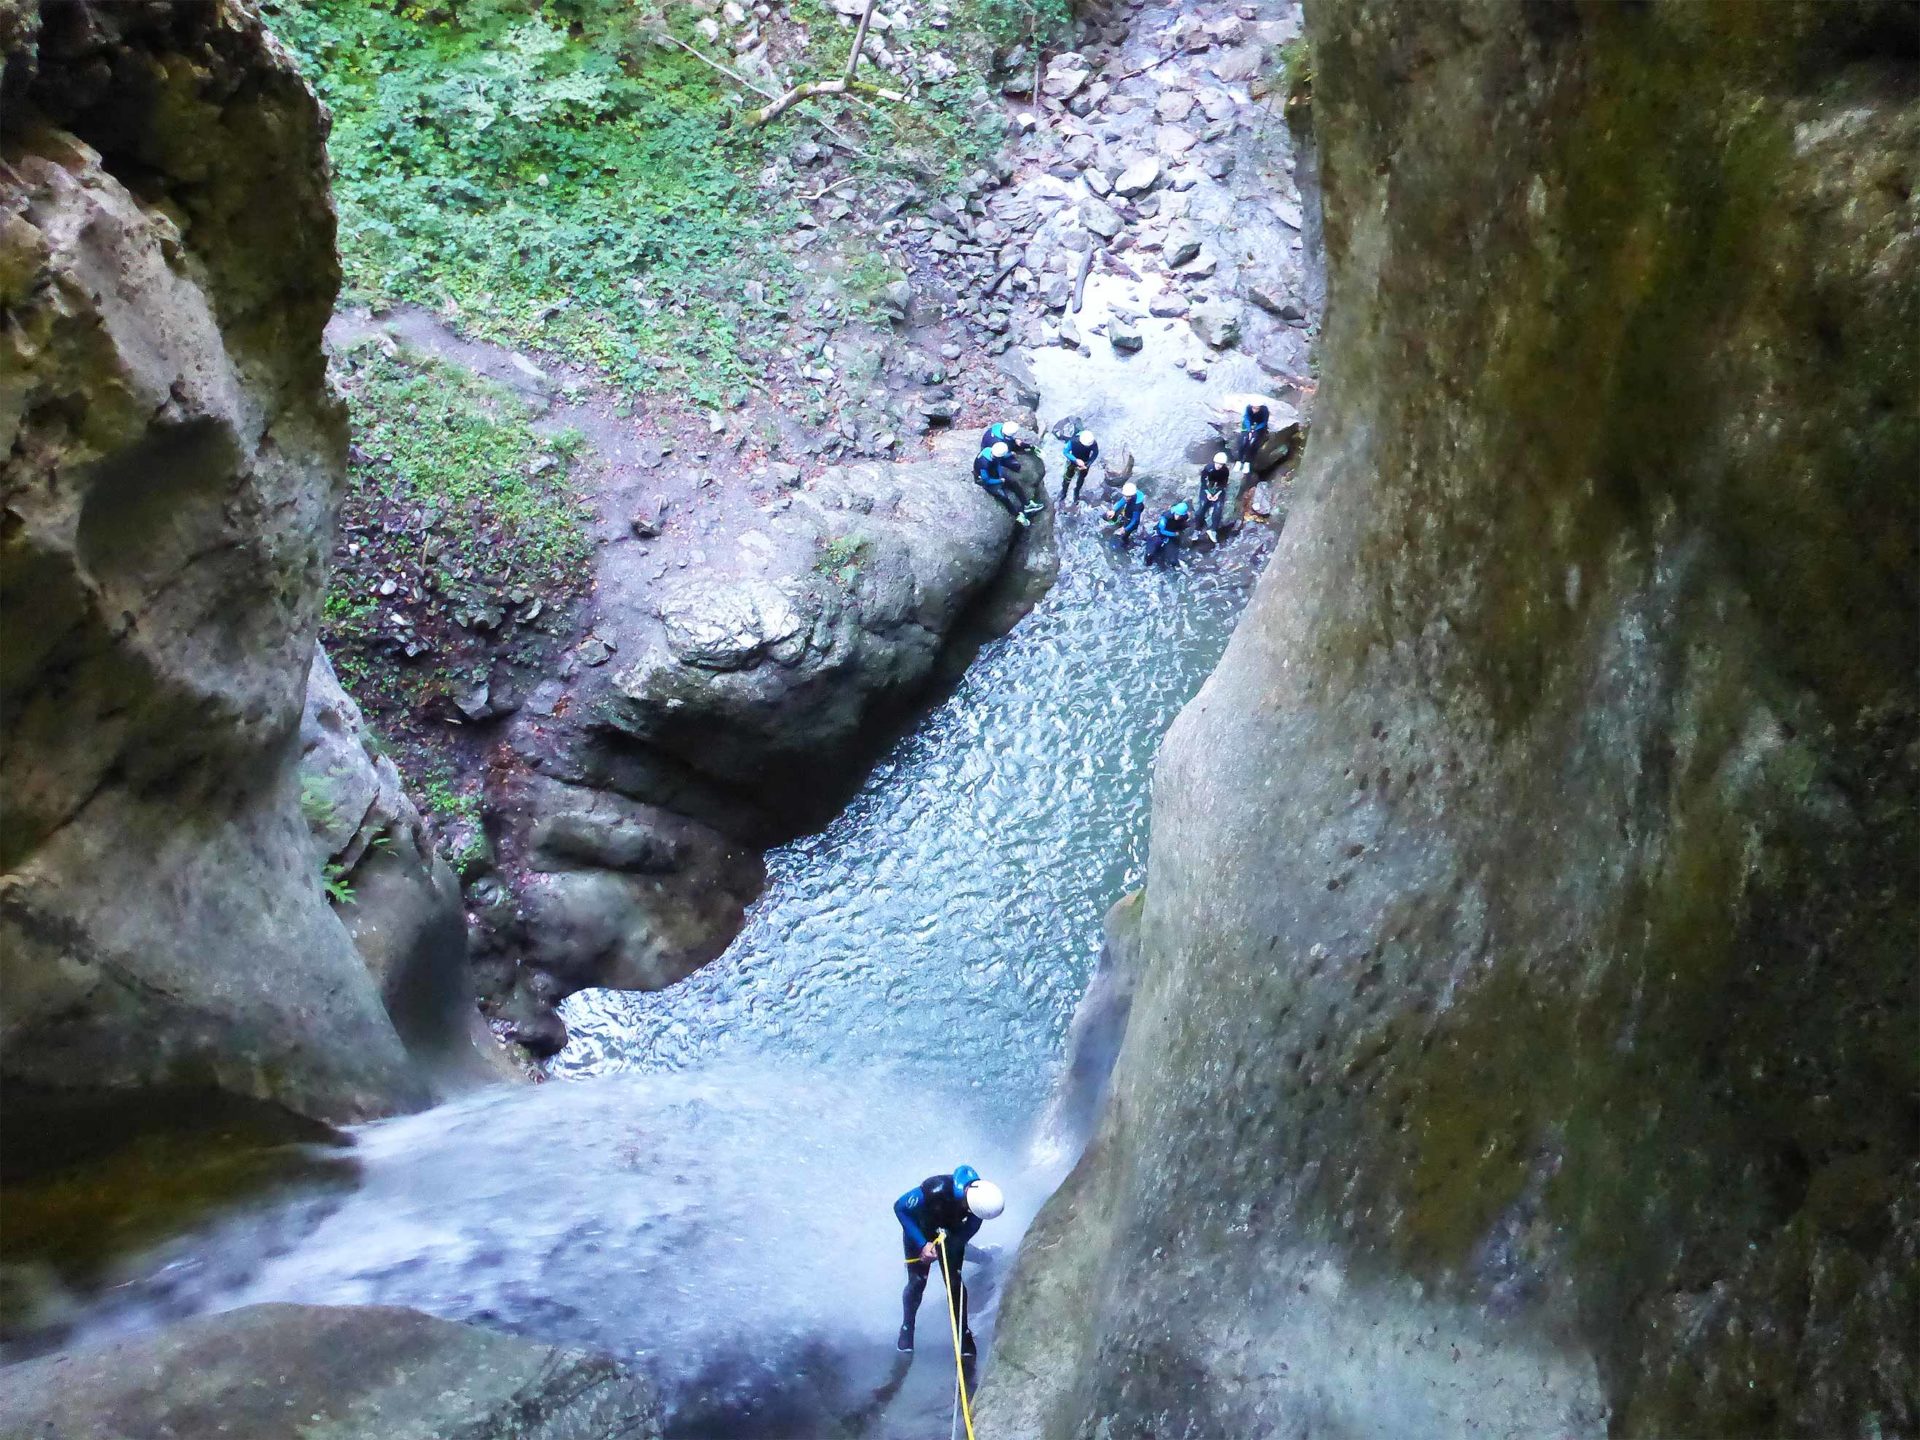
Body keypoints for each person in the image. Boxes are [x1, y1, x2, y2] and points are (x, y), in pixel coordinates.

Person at [896, 1165, 1005, 1357]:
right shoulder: (935, 1190)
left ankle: (963, 1332)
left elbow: (965, 1233)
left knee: (954, 1281)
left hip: (950, 1232)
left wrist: (952, 1245)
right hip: (920, 1233)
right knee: (917, 1282)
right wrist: (923, 1245)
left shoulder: (979, 1209)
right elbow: (900, 1208)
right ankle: (907, 1327)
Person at [974, 442, 1030, 527]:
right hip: (985, 480)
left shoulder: (990, 451)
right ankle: (1017, 515)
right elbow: (986, 480)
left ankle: (1027, 504)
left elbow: (1001, 458)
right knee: (1004, 497)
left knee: (1014, 484)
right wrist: (999, 481)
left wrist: (1010, 454)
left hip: (995, 472)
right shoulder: (984, 464)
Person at [1144, 500, 1191, 565]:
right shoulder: (1165, 517)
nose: (1177, 517)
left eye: (1180, 515)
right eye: (1177, 514)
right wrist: (1174, 534)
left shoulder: (1185, 517)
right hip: (1160, 534)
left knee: (1173, 560)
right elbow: (1162, 531)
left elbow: (1183, 525)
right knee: (1149, 554)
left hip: (1172, 536)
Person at [1059, 429, 1099, 504]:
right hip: (1073, 460)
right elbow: (1065, 452)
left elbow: (1095, 453)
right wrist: (1075, 460)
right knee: (1067, 476)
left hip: (1085, 462)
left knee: (1082, 477)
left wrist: (1088, 464)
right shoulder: (1073, 441)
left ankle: (1076, 492)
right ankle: (1064, 492)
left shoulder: (1093, 442)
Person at [1197, 451, 1231, 537]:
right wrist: (1208, 493)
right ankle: (1197, 528)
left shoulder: (1225, 471)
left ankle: (1213, 530)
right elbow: (1203, 482)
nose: (1219, 466)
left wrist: (1218, 494)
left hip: (1218, 488)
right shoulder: (1208, 468)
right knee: (1202, 507)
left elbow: (1223, 483)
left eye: (1221, 464)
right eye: (1218, 463)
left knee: (1218, 508)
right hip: (1208, 488)